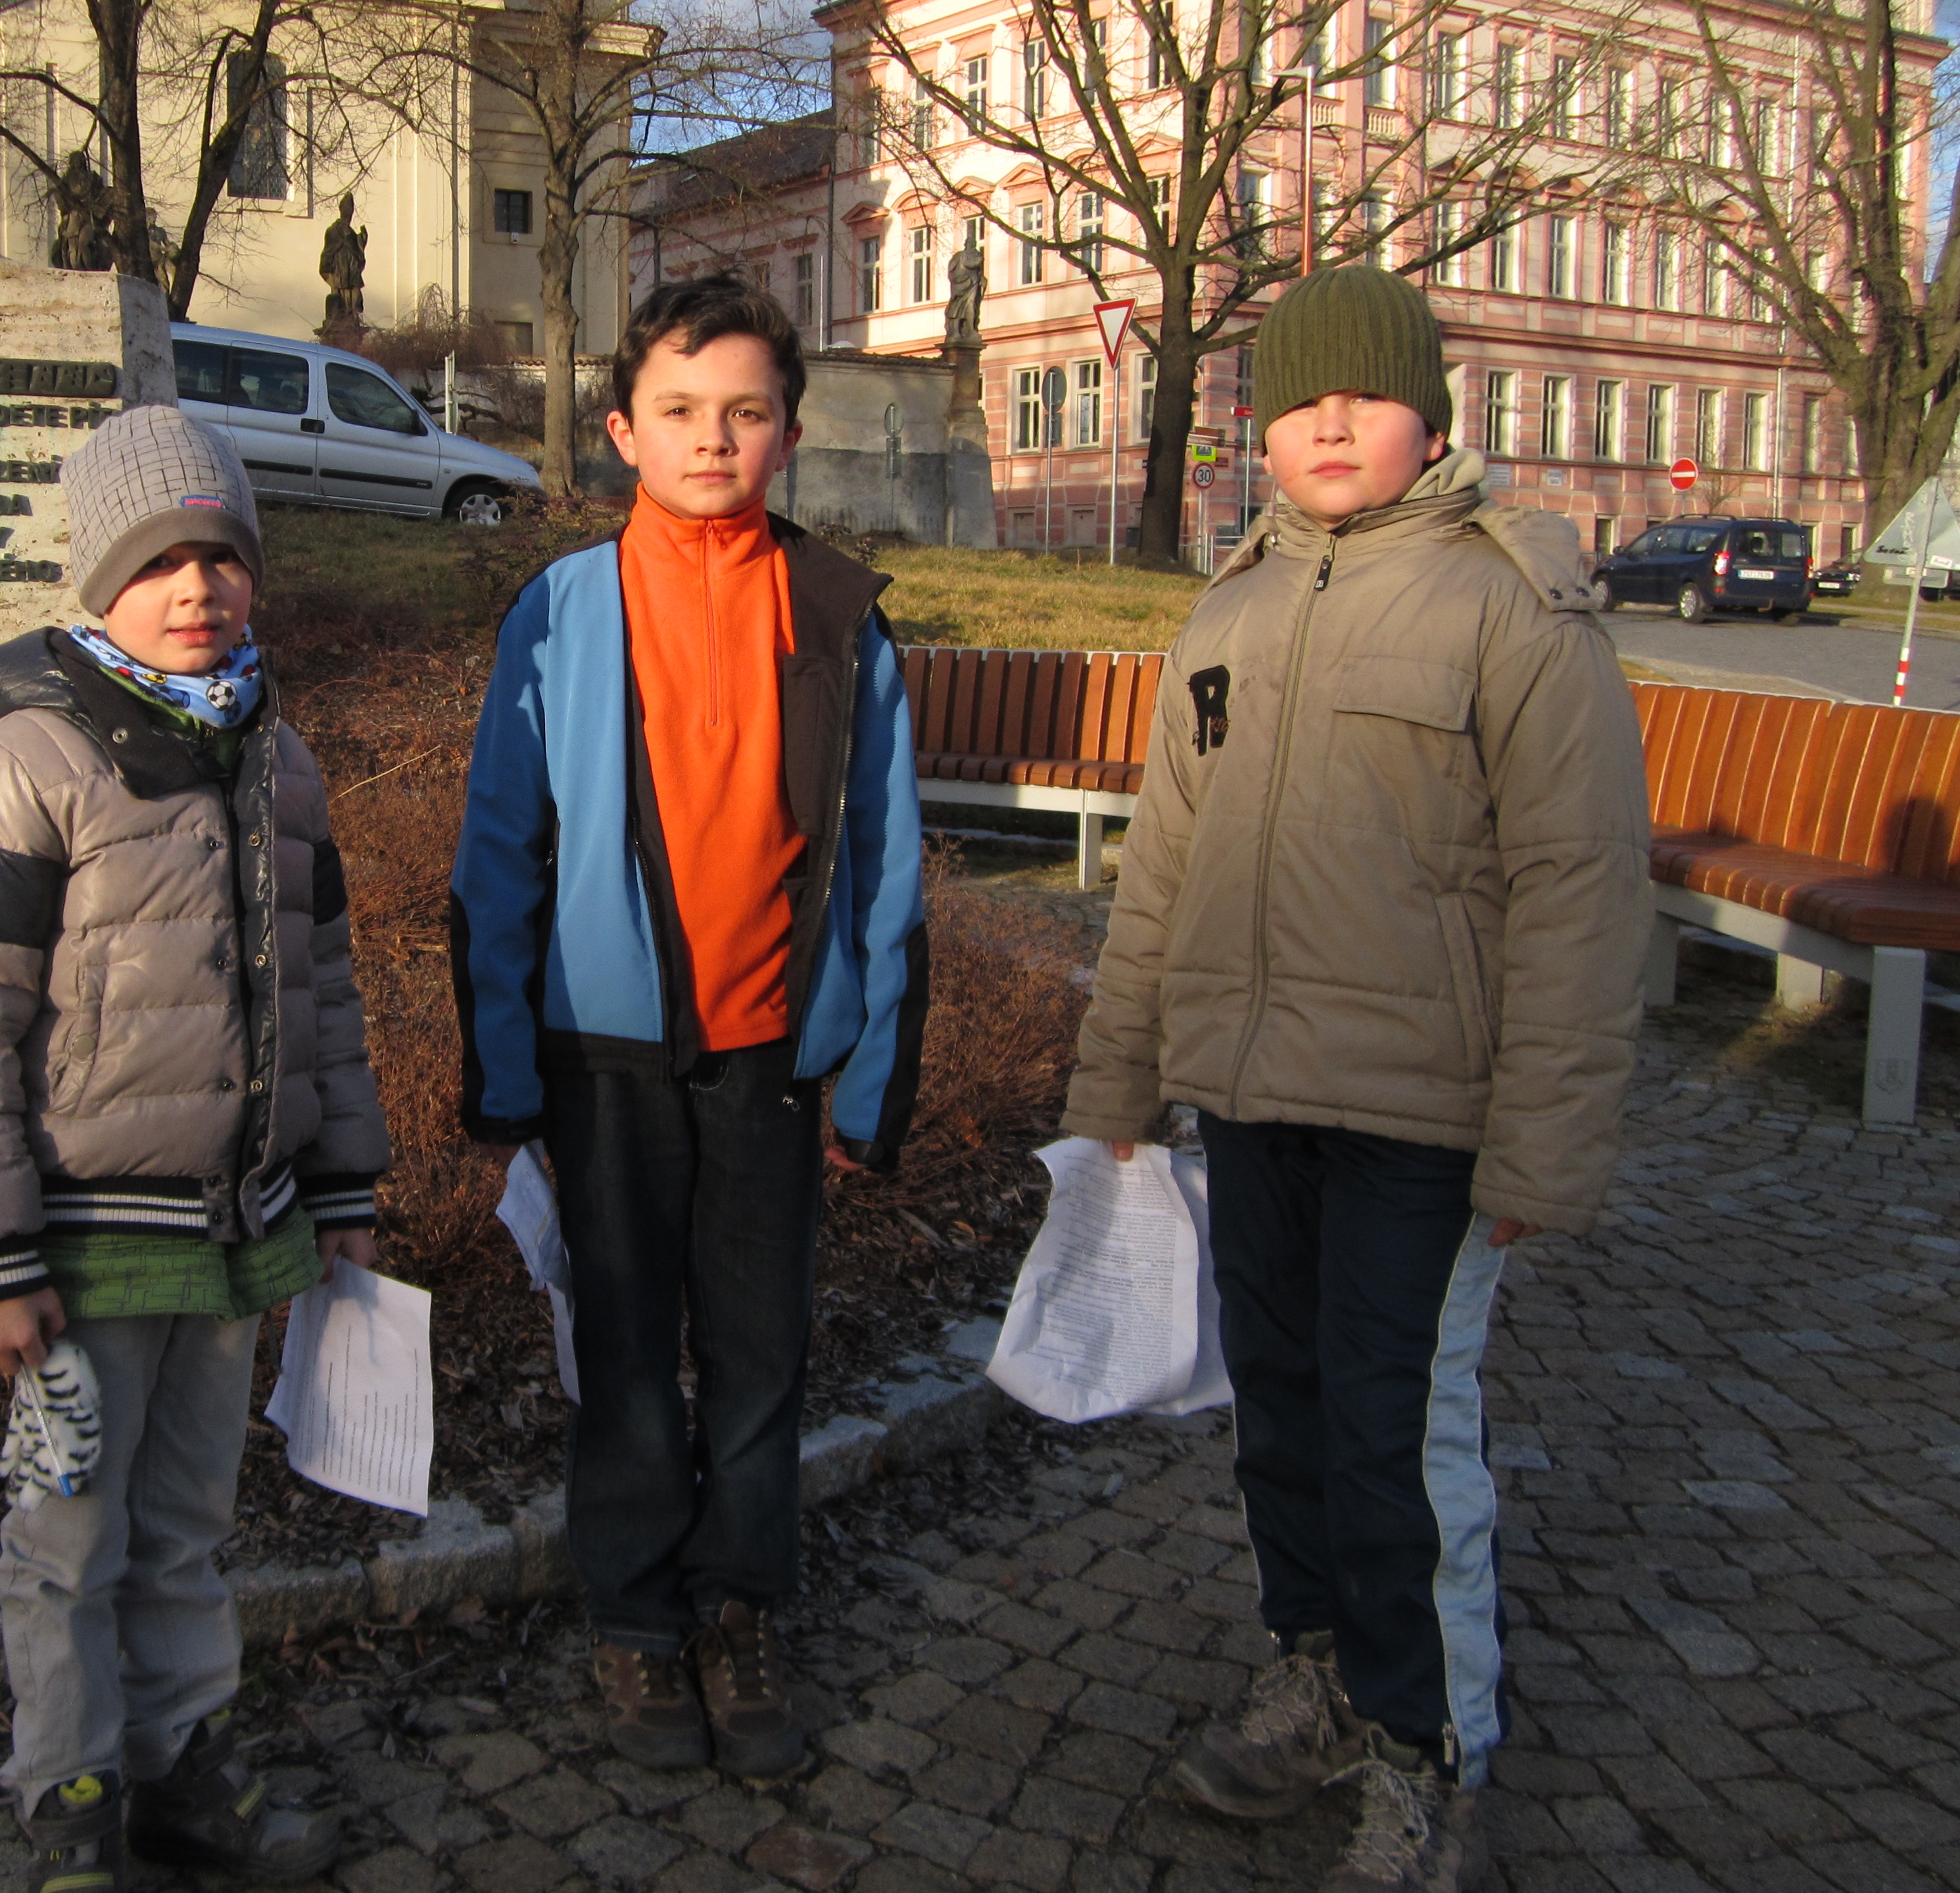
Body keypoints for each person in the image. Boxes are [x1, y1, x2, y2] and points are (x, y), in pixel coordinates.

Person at [1061, 265, 1650, 1893]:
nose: (1330, 423)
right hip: (1254, 1101)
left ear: (1431, 420)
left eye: (1366, 396)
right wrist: (1117, 1084)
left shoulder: (1512, 606)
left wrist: (1543, 1147)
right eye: (1300, 399)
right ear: (1259, 430)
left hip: (1427, 1119)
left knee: (1397, 1436)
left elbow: (1581, 890)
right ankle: (1317, 1670)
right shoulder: (1231, 611)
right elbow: (1163, 875)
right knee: (1284, 1412)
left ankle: (1424, 1746)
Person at [0, 405, 391, 1893]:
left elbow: (324, 986)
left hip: (233, 1230)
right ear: (97, 577)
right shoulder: (26, 765)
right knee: (67, 1533)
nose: (197, 589)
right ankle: (72, 1795)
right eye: (159, 561)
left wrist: (342, 1178)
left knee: (185, 1524)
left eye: (222, 557)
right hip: (83, 1240)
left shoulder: (276, 758)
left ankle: (184, 1766)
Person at [450, 274, 929, 1777]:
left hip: (771, 1058)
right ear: (622, 431)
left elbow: (888, 861)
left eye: (745, 412)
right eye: (678, 410)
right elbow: (498, 851)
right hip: (604, 1058)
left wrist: (873, 1082)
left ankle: (738, 1605)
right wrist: (505, 1074)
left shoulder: (839, 614)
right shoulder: (562, 610)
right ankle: (637, 1615)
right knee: (625, 1350)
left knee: (760, 1350)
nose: (712, 438)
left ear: (789, 432)